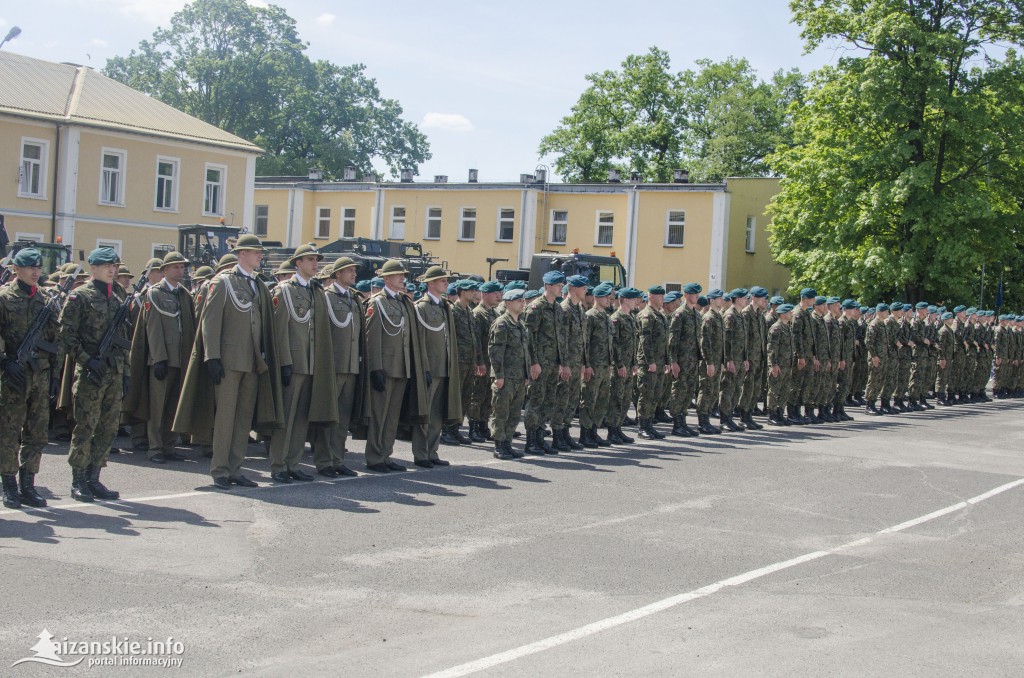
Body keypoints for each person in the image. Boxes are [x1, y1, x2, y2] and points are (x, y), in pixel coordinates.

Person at [173, 234, 284, 490]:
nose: (260, 256)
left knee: (243, 419)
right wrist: (212, 356)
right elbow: (210, 321)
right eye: (255, 252)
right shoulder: (222, 282)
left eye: (259, 252)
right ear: (242, 254)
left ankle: (236, 467)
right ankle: (220, 469)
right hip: (229, 359)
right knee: (225, 418)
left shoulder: (257, 284)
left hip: (252, 360)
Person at [58, 247, 131, 502]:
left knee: (107, 428)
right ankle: (78, 481)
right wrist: (88, 360)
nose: (112, 269)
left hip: (114, 370)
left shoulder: (118, 295)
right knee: (85, 427)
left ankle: (94, 478)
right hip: (91, 373)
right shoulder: (80, 297)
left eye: (114, 265)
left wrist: (126, 373)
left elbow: (124, 338)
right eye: (106, 265)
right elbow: (66, 337)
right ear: (93, 268)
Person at [268, 244, 337, 483]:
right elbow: (279, 330)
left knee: (301, 419)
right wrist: (284, 362)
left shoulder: (315, 291)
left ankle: (293, 463)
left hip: (311, 363)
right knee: (286, 418)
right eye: (309, 259)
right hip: (294, 363)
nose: (315, 264)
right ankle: (279, 464)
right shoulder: (284, 290)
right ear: (297, 263)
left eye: (316, 260)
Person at [0, 248, 60, 508]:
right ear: (16, 269)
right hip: (13, 373)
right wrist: (4, 361)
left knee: (37, 432)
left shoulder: (45, 299)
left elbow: (52, 339)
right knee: (9, 431)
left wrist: (55, 374)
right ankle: (9, 484)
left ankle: (28, 483)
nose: (35, 272)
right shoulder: (4, 298)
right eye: (29, 267)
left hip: (40, 373)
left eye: (38, 267)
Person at [124, 251, 196, 464]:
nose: (180, 270)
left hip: (180, 359)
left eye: (182, 267)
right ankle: (155, 448)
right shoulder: (154, 293)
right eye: (175, 267)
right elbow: (153, 328)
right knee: (157, 407)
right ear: (164, 270)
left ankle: (169, 445)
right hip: (161, 360)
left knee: (174, 406)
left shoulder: (184, 294)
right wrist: (159, 358)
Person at [363, 259, 428, 472]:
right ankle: (374, 457)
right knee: (379, 415)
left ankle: (386, 455)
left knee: (392, 417)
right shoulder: (377, 302)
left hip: (402, 366)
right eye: (398, 275)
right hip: (385, 366)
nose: (403, 278)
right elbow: (372, 338)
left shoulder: (403, 302)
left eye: (403, 275)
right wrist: (375, 368)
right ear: (386, 278)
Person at [314, 257, 364, 477]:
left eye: (354, 271)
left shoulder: (354, 299)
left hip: (350, 365)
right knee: (328, 415)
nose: (353, 274)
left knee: (342, 417)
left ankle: (337, 458)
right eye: (349, 271)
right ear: (337, 274)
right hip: (332, 365)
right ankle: (324, 461)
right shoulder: (326, 297)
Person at [411, 265, 462, 468]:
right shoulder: (421, 307)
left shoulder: (444, 306)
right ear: (431, 283)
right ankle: (421, 453)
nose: (446, 284)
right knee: (424, 413)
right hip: (430, 368)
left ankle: (432, 451)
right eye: (442, 281)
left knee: (437, 415)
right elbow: (420, 341)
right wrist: (424, 368)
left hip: (444, 367)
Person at [523, 271, 569, 455]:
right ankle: (531, 440)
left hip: (553, 363)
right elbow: (529, 337)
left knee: (548, 401)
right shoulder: (536, 307)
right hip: (540, 363)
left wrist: (562, 363)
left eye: (561, 285)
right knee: (536, 400)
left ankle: (541, 437)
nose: (560, 288)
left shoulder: (557, 308)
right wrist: (533, 362)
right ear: (547, 286)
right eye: (557, 285)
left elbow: (561, 338)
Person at [488, 288, 530, 459]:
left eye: (523, 300)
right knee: (501, 412)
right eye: (518, 300)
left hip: (519, 377)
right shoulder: (502, 324)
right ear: (508, 303)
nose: (522, 303)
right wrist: (498, 375)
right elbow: (495, 351)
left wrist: (526, 374)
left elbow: (525, 352)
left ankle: (508, 443)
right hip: (505, 377)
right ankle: (499, 446)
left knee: (514, 413)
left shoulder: (520, 324)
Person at [554, 275, 589, 450]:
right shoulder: (564, 310)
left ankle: (566, 432)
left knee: (572, 399)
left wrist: (584, 363)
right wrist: (564, 364)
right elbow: (562, 340)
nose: (586, 290)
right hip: (567, 363)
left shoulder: (579, 309)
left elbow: (582, 340)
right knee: (562, 399)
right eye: (583, 287)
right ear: (573, 289)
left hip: (577, 363)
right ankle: (557, 435)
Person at [579, 282, 615, 448]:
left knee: (601, 400)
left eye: (610, 296)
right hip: (593, 366)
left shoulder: (606, 317)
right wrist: (586, 364)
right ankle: (585, 434)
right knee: (589, 400)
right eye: (606, 296)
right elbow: (585, 343)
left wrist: (610, 363)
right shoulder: (590, 316)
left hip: (604, 366)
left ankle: (594, 431)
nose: (609, 299)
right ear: (597, 297)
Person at [446, 278, 480, 445]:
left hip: (469, 361)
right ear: (461, 292)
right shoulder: (453, 312)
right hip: (457, 361)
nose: (474, 292)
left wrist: (477, 360)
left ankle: (456, 428)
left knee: (465, 396)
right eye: (471, 290)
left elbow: (474, 339)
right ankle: (447, 429)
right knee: (454, 396)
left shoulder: (469, 312)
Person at [668, 283, 703, 437]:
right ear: (687, 295)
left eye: (698, 294)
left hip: (693, 360)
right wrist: (673, 361)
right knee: (679, 391)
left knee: (688, 392)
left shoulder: (696, 314)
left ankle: (683, 421)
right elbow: (672, 340)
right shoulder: (679, 314)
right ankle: (677, 423)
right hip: (681, 360)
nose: (697, 297)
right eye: (694, 294)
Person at [469, 281, 502, 442]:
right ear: (485, 294)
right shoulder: (478, 313)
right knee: (478, 395)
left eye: (499, 293)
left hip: (492, 362)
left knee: (488, 395)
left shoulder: (495, 314)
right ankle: (473, 426)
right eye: (495, 293)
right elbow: (476, 341)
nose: (498, 296)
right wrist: (479, 362)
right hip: (482, 361)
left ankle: (483, 424)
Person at [635, 285, 670, 439]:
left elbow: (665, 341)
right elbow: (645, 340)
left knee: (656, 394)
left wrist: (667, 360)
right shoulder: (646, 315)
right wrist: (650, 361)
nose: (663, 299)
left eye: (663, 296)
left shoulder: (660, 315)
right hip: (649, 363)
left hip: (660, 362)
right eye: (660, 296)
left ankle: (650, 425)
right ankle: (643, 426)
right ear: (651, 297)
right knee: (646, 394)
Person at [607, 288, 640, 443]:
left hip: (628, 365)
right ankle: (612, 430)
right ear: (625, 300)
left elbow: (633, 343)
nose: (636, 302)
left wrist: (634, 362)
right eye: (634, 299)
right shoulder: (616, 318)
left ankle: (619, 428)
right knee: (616, 398)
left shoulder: (631, 318)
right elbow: (615, 344)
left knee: (626, 398)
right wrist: (620, 364)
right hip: (619, 367)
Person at [697, 289, 726, 434]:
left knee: (713, 391)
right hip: (709, 361)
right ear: (712, 300)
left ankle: (707, 419)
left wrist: (721, 360)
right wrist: (709, 361)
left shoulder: (718, 316)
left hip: (716, 360)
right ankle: (702, 422)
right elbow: (705, 342)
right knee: (707, 390)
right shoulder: (709, 317)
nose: (721, 300)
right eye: (718, 298)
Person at [766, 303, 795, 426]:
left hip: (787, 364)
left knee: (785, 389)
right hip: (778, 364)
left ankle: (780, 412)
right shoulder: (776, 328)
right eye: (789, 312)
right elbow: (772, 348)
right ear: (783, 314)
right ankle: (772, 414)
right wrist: (774, 365)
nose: (791, 314)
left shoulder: (787, 327)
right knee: (774, 390)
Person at [864, 303, 891, 415]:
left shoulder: (882, 324)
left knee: (879, 381)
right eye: (885, 311)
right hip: (876, 358)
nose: (888, 313)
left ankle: (874, 403)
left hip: (883, 357)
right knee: (873, 381)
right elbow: (868, 342)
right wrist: (874, 356)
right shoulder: (874, 324)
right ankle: (869, 405)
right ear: (879, 312)